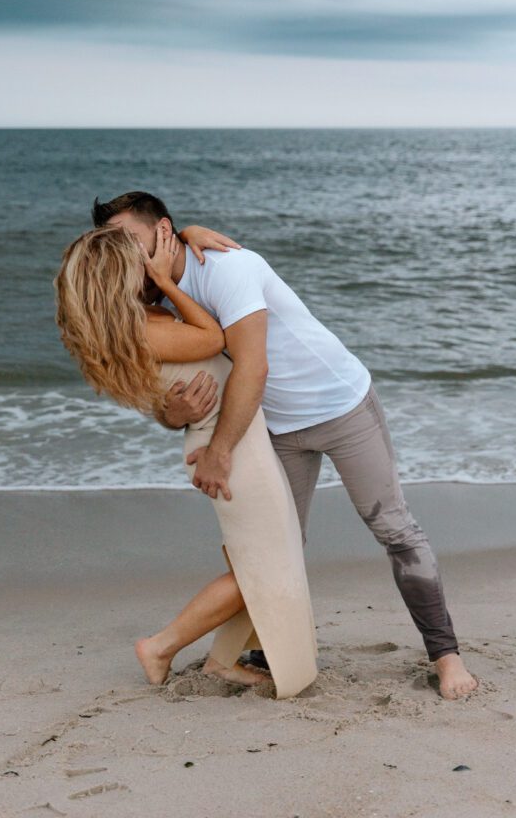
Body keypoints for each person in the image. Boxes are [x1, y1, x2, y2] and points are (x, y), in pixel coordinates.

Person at [92, 191, 479, 702]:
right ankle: (249, 654)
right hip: (274, 428)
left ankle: (445, 656)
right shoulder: (153, 303)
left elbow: (253, 367)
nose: (127, 258)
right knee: (272, 551)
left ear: (164, 230)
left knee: (394, 528)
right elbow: (172, 396)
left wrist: (218, 452)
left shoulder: (227, 268)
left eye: (133, 241)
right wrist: (173, 415)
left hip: (341, 405)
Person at [53, 223, 318, 699]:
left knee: (256, 560)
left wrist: (188, 230)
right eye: (140, 258)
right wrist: (173, 282)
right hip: (228, 452)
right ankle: (159, 647)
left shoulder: (136, 321)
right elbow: (213, 338)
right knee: (263, 566)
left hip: (230, 442)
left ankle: (220, 664)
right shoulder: (145, 330)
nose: (150, 262)